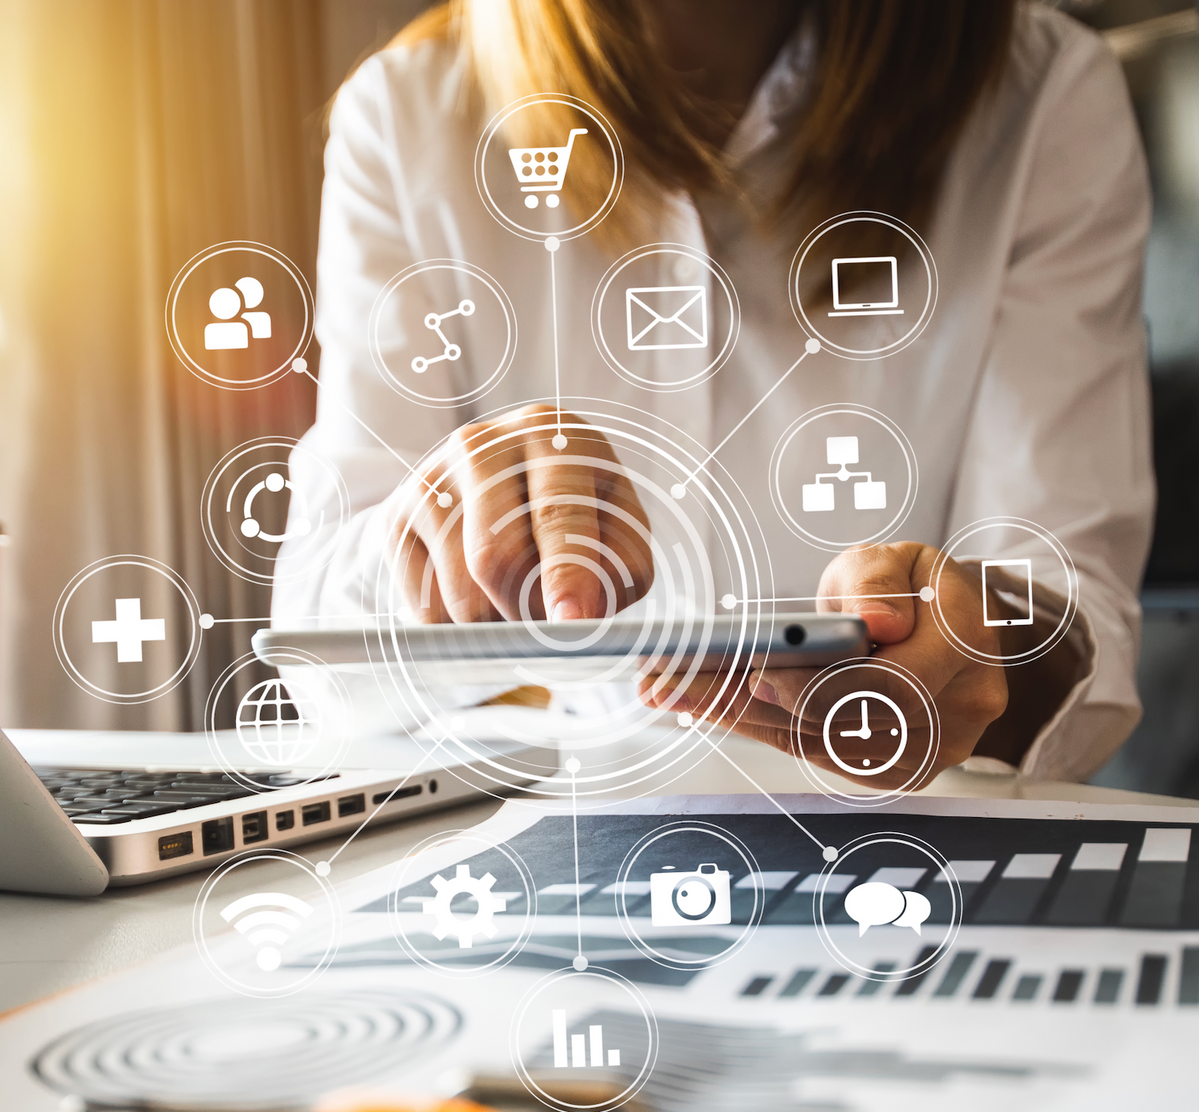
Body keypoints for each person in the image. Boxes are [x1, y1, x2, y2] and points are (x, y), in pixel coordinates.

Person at [274, 0, 1153, 786]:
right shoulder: (403, 117)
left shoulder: (1043, 95)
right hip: (553, 852)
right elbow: (320, 665)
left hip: (898, 855)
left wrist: (973, 641)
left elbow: (1070, 606)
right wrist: (435, 538)